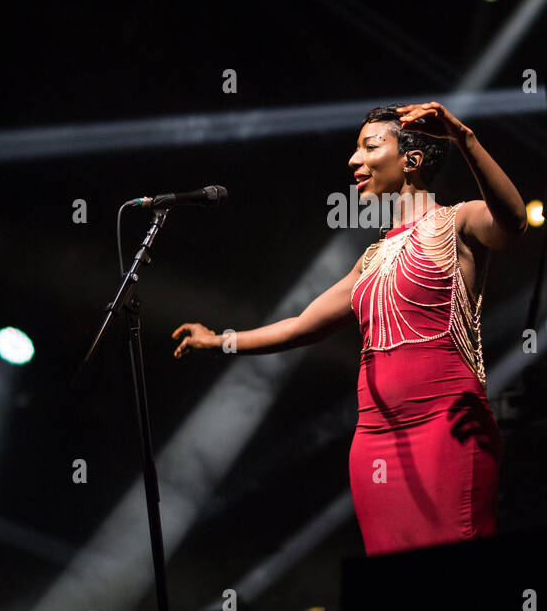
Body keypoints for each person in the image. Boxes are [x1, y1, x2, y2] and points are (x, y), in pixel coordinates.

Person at [172, 102, 527, 555]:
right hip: (375, 440)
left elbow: (513, 221)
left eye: (369, 147)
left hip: (446, 426)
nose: (353, 160)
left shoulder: (459, 221)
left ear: (411, 160)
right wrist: (219, 341)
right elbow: (302, 326)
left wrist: (464, 138)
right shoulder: (371, 259)